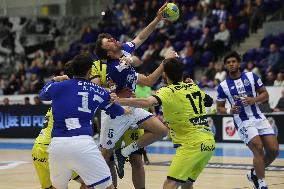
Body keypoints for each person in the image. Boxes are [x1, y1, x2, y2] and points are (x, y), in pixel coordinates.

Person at [111, 58, 215, 189]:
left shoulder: (166, 91)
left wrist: (119, 101)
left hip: (191, 144)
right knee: (187, 183)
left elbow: (147, 102)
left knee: (170, 184)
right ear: (182, 73)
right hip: (209, 144)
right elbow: (210, 102)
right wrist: (194, 88)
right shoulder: (192, 87)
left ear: (164, 74)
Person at [94, 3, 171, 180]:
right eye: (110, 42)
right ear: (108, 53)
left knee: (161, 131)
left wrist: (157, 19)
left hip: (132, 107)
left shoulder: (124, 52)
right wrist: (132, 61)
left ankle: (125, 152)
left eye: (111, 38)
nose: (114, 39)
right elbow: (133, 63)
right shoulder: (115, 67)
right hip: (115, 113)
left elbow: (141, 37)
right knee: (104, 157)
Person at [39, 54, 126, 189]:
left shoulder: (59, 86)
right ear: (90, 71)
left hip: (57, 146)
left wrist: (55, 79)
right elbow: (116, 111)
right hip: (82, 144)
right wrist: (120, 105)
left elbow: (43, 94)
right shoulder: (99, 90)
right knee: (107, 187)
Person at [216, 51, 279, 189]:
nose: (231, 64)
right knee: (258, 147)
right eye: (228, 62)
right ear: (226, 66)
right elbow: (218, 108)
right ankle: (261, 183)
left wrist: (254, 100)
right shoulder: (223, 86)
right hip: (242, 120)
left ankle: (254, 173)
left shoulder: (251, 76)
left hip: (258, 116)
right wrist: (228, 110)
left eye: (233, 61)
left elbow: (265, 94)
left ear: (238, 63)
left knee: (274, 150)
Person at [90, 59, 147, 189]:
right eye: (108, 41)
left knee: (137, 159)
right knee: (107, 159)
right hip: (111, 114)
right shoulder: (96, 65)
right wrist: (116, 93)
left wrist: (131, 58)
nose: (113, 42)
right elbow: (95, 89)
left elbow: (138, 63)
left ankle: (122, 154)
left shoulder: (124, 57)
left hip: (131, 111)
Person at [32, 61, 88, 189]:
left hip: (38, 148)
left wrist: (55, 79)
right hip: (55, 149)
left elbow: (42, 94)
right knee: (89, 182)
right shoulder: (76, 96)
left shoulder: (59, 94)